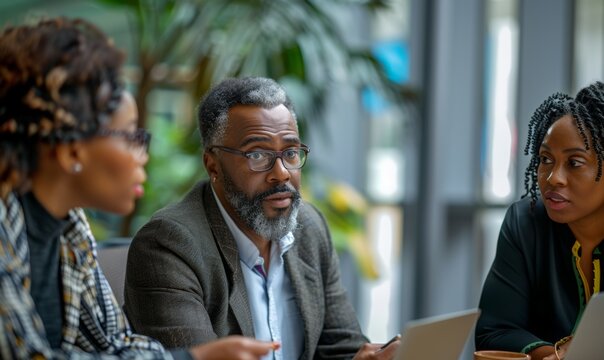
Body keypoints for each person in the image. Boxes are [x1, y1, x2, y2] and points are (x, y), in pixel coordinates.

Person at [0, 18, 278, 359]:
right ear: (71, 149)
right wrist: (194, 358)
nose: (143, 154)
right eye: (131, 135)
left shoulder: (70, 230)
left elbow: (114, 343)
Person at [123, 77, 401, 359]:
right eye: (257, 155)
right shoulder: (169, 246)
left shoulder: (310, 228)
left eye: (290, 153)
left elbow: (342, 347)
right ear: (213, 165)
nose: (281, 173)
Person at [475, 82, 604, 360]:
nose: (552, 178)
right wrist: (560, 356)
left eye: (575, 163)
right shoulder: (525, 223)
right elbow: (494, 332)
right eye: (545, 159)